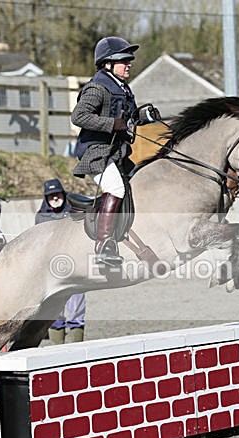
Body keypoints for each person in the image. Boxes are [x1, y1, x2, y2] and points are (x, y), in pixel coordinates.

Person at [71, 36, 160, 266]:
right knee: (115, 188)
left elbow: (127, 120)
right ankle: (103, 245)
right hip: (96, 153)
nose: (128, 64)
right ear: (107, 64)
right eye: (123, 60)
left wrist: (143, 116)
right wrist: (112, 124)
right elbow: (79, 116)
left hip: (117, 153)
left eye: (129, 60)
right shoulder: (97, 87)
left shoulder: (123, 89)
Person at [35, 178, 86, 343]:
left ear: (63, 194)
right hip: (52, 271)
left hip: (76, 267)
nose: (55, 198)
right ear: (46, 198)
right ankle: (57, 348)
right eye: (51, 195)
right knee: (54, 313)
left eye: (57, 194)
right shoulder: (41, 217)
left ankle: (77, 346)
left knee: (77, 310)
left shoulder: (75, 212)